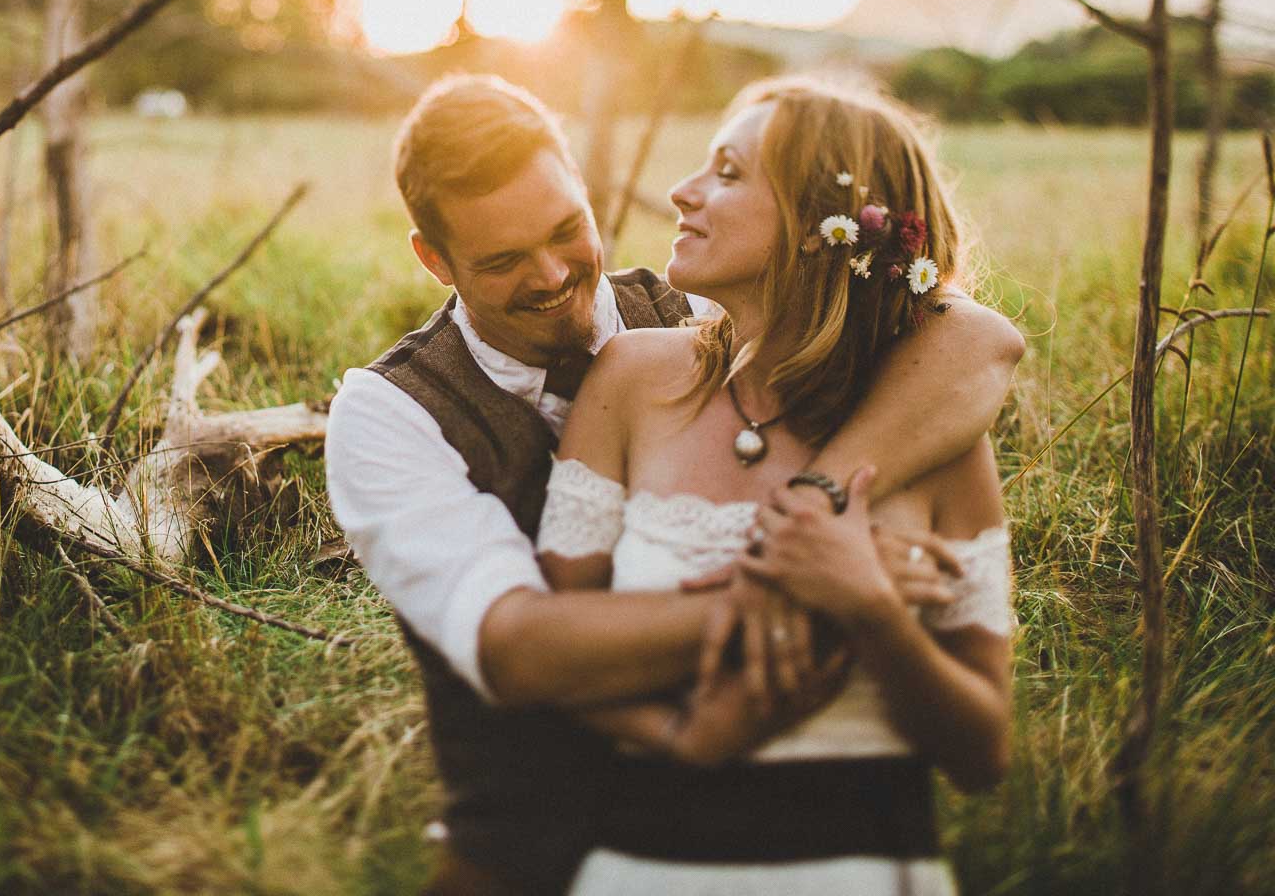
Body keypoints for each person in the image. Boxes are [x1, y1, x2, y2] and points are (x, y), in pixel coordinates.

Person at [323, 74, 1024, 896]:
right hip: (526, 846)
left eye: (566, 231)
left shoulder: (701, 309)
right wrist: (800, 588)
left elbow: (975, 339)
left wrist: (813, 503)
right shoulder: (389, 413)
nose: (551, 276)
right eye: (505, 261)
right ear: (433, 259)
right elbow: (518, 649)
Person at [540, 76, 1013, 893]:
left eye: (727, 172)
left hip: (864, 863)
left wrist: (869, 609)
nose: (682, 192)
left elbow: (981, 754)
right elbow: (550, 656)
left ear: (814, 229)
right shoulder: (633, 381)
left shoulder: (935, 433)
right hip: (647, 859)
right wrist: (686, 733)